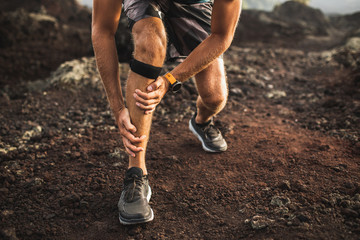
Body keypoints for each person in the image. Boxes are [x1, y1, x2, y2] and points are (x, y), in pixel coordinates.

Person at [92, 0, 241, 224]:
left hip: (193, 6)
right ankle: (136, 173)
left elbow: (222, 35)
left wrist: (171, 79)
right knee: (150, 44)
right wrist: (118, 107)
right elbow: (102, 29)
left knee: (214, 97)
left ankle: (201, 121)